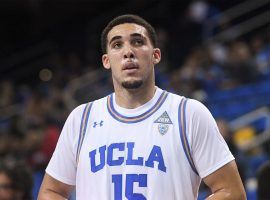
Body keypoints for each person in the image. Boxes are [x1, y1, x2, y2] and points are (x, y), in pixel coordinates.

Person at [38, 14, 246, 200]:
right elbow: (50, 191)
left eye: (137, 42)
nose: (128, 51)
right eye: (117, 45)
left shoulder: (188, 114)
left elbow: (232, 192)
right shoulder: (81, 118)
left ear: (156, 55)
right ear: (106, 61)